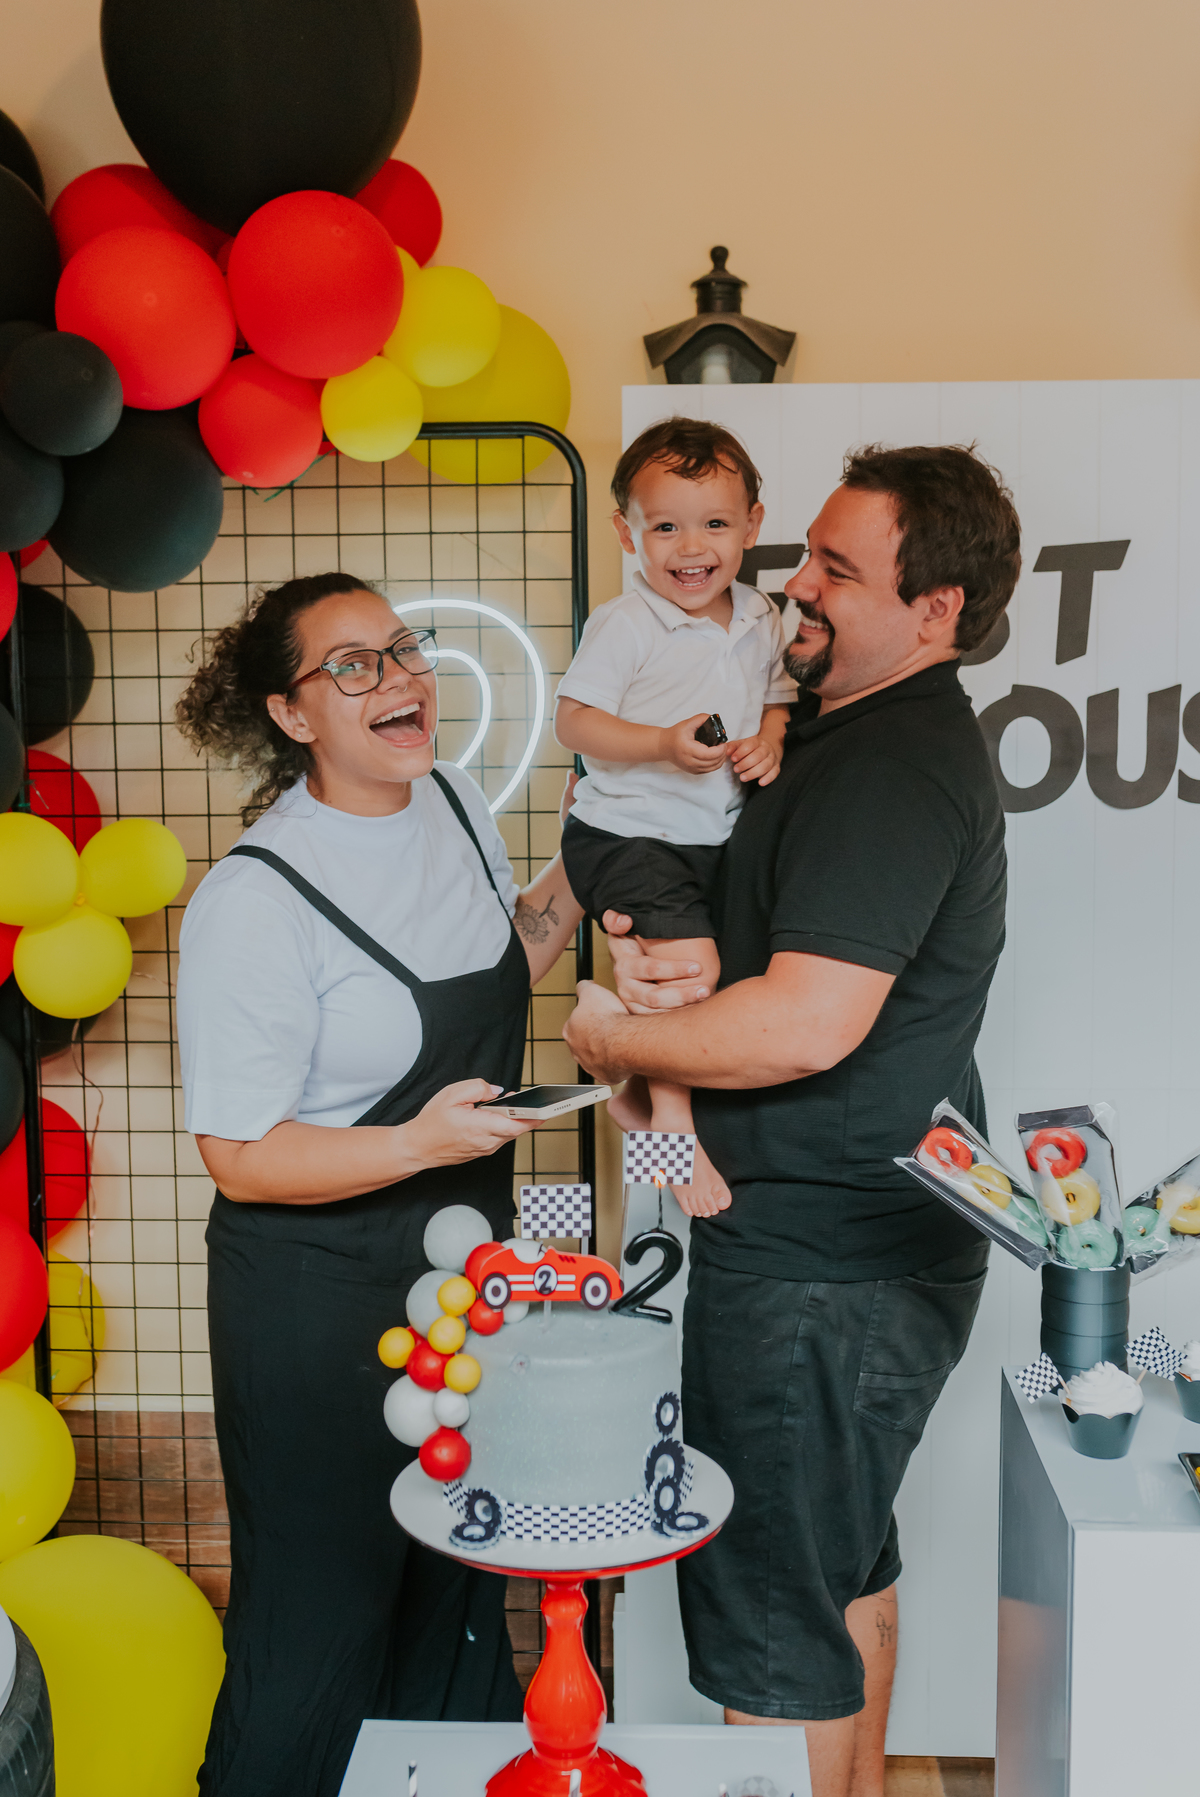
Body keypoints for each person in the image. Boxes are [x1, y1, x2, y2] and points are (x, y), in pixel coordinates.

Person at [564, 445, 1020, 1797]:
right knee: (836, 1570)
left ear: (936, 609)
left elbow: (806, 1025)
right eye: (805, 553)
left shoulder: (895, 767)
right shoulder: (817, 718)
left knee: (774, 1624)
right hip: (847, 1242)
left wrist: (610, 1036)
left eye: (837, 567)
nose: (795, 585)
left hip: (830, 1264)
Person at [173, 572, 584, 1797]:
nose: (399, 679)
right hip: (313, 1305)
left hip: (457, 1287)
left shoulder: (450, 800)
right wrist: (418, 1143)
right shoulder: (253, 899)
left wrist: (600, 854)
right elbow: (239, 1153)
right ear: (291, 715)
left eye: (403, 650)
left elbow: (503, 950)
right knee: (321, 1620)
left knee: (451, 1596)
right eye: (351, 665)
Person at [555, 417, 795, 1213]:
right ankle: (673, 1131)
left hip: (708, 839)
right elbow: (576, 724)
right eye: (666, 527)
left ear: (753, 525)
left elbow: (778, 701)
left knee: (698, 982)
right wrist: (660, 742)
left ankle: (631, 1087)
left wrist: (769, 738)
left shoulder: (763, 617)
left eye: (716, 524)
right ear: (627, 533)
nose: (692, 549)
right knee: (690, 972)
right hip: (626, 831)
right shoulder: (626, 624)